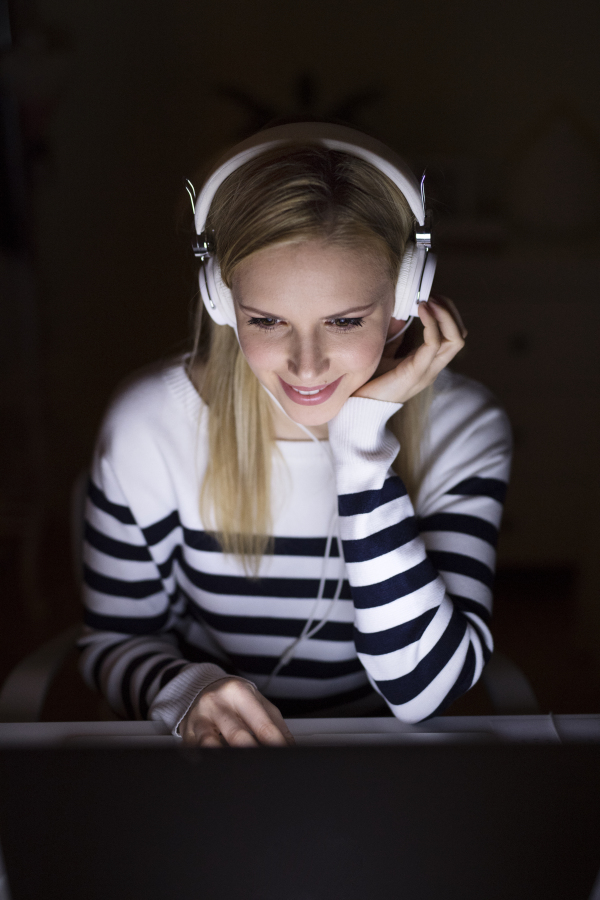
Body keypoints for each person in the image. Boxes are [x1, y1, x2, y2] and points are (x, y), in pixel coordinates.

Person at [79, 122, 511, 747]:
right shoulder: (149, 426)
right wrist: (188, 691)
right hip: (207, 773)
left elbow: (426, 689)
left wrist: (361, 453)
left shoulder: (464, 428)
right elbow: (114, 644)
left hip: (385, 770)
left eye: (343, 320)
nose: (306, 367)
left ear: (403, 296)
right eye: (268, 320)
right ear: (221, 300)